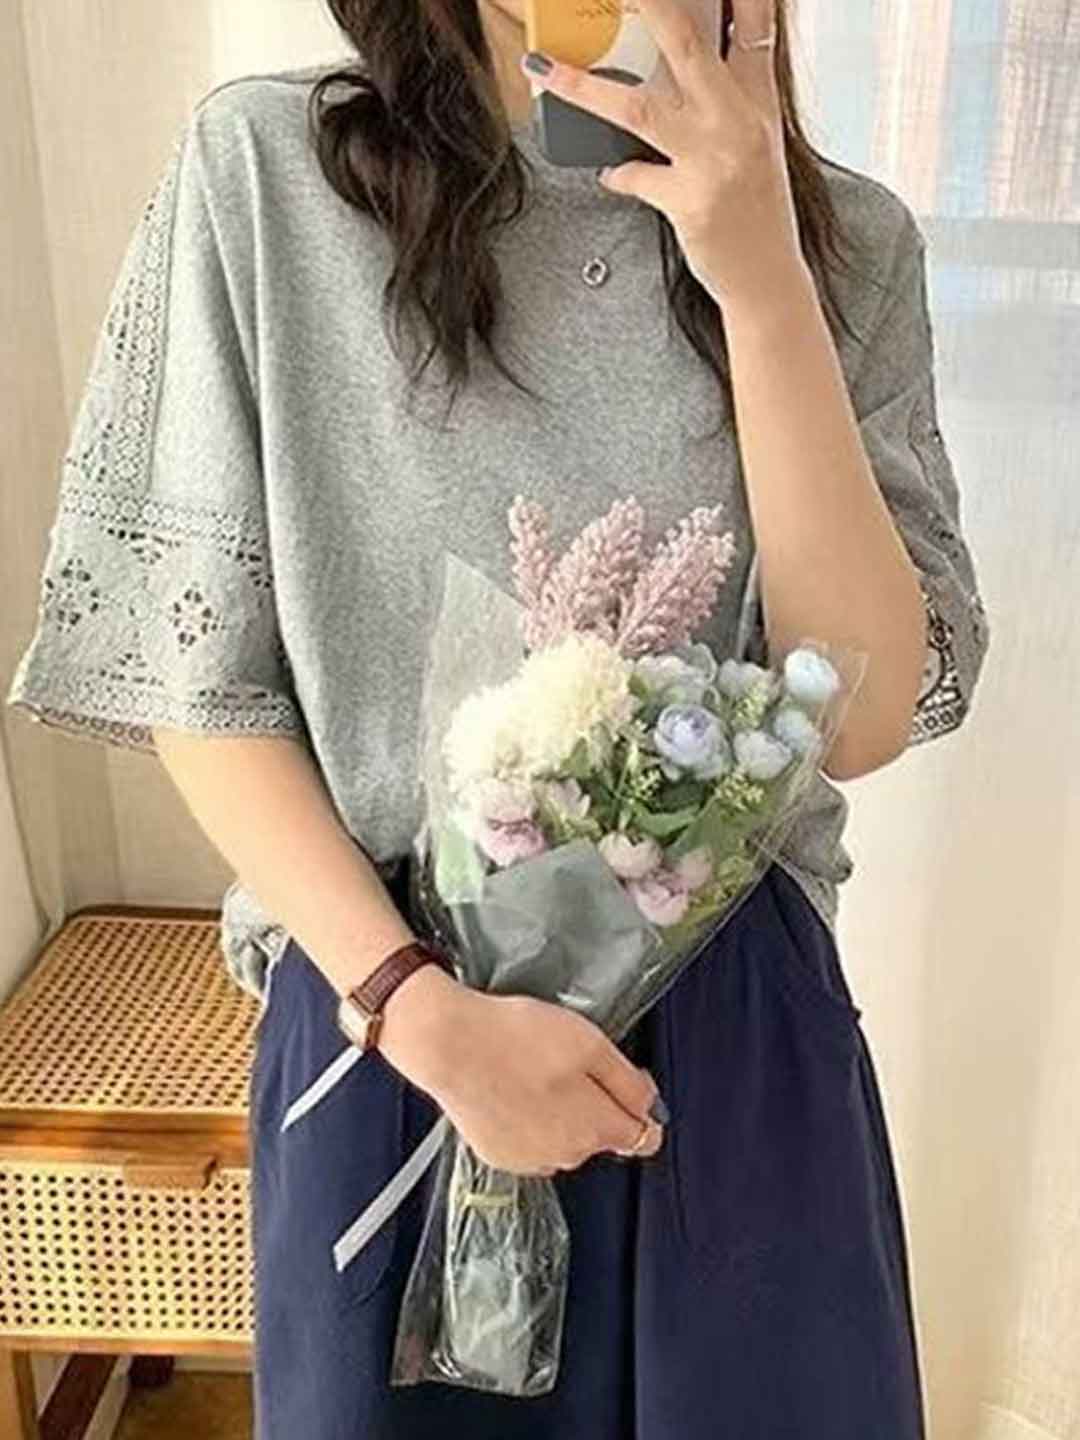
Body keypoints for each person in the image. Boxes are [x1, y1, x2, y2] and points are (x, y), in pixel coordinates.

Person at [5, 0, 990, 1435]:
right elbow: (197, 676)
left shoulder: (848, 245)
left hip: (732, 1047)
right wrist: (418, 1010)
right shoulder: (269, 176)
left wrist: (765, 283)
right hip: (391, 1017)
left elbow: (860, 712)